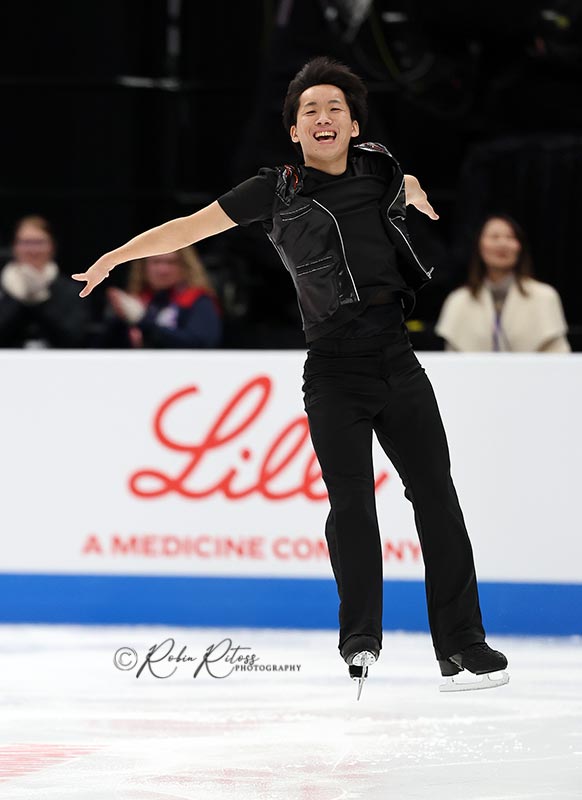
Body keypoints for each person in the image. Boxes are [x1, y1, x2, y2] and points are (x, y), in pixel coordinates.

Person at [72, 56, 509, 698]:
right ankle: (360, 638)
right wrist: (116, 256)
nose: (323, 117)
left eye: (335, 108)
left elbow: (403, 179)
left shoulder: (379, 167)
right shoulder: (274, 190)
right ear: (295, 131)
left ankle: (463, 645)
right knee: (352, 504)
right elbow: (190, 228)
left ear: (353, 124)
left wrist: (414, 192)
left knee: (437, 498)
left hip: (398, 360)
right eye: (310, 110)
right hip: (334, 371)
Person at [436, 215, 570, 352]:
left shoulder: (544, 296)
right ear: (479, 245)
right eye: (494, 237)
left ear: (520, 246)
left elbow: (558, 355)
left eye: (510, 237)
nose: (502, 243)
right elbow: (452, 358)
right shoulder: (458, 300)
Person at [95, 246, 222, 348]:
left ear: (185, 266)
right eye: (156, 262)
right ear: (143, 267)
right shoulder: (138, 300)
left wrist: (142, 321)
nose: (163, 270)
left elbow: (201, 343)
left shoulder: (197, 300)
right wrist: (118, 318)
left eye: (171, 262)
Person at [0, 215, 89, 348]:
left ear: (52, 246)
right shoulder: (3, 287)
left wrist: (39, 299)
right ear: (14, 246)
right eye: (26, 242)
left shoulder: (71, 290)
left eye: (39, 242)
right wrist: (19, 298)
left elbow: (74, 337)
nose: (32, 250)